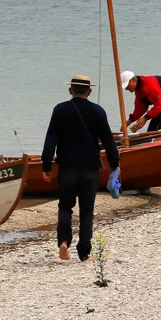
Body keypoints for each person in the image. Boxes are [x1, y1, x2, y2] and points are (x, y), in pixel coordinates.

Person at [41, 74, 121, 262]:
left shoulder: (60, 110)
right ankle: (84, 253)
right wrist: (114, 165)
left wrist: (46, 165)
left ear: (70, 91)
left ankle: (63, 243)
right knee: (86, 210)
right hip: (90, 169)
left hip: (67, 167)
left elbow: (51, 138)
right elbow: (109, 141)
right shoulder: (98, 112)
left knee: (65, 206)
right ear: (89, 91)